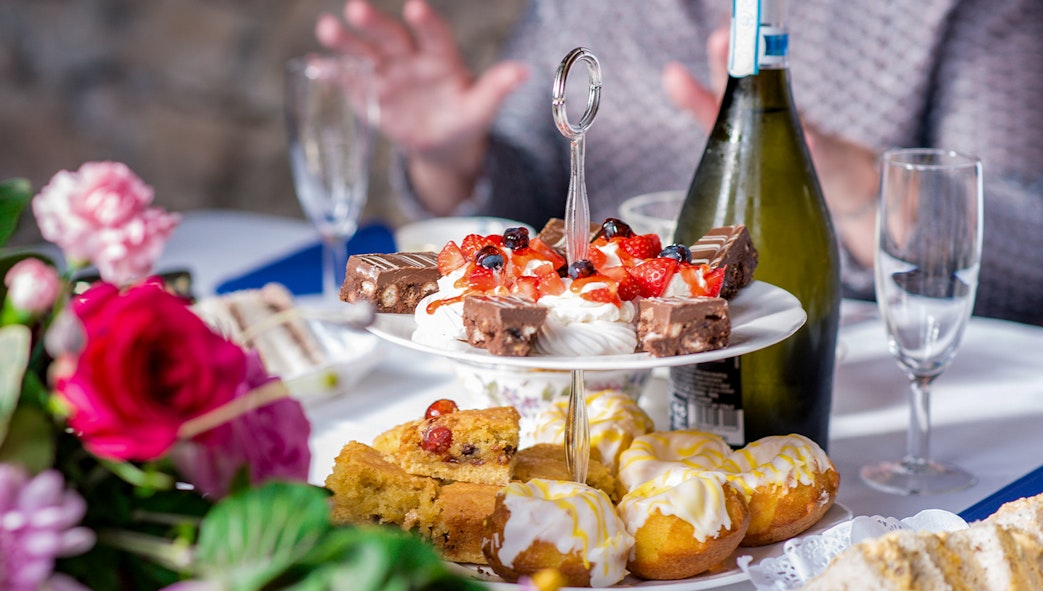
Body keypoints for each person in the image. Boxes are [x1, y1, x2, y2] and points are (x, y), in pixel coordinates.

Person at [316, 0, 1043, 325]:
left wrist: (838, 177)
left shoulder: (961, 10)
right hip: (607, 365)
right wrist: (451, 158)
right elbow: (525, 198)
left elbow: (1025, 260)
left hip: (852, 382)